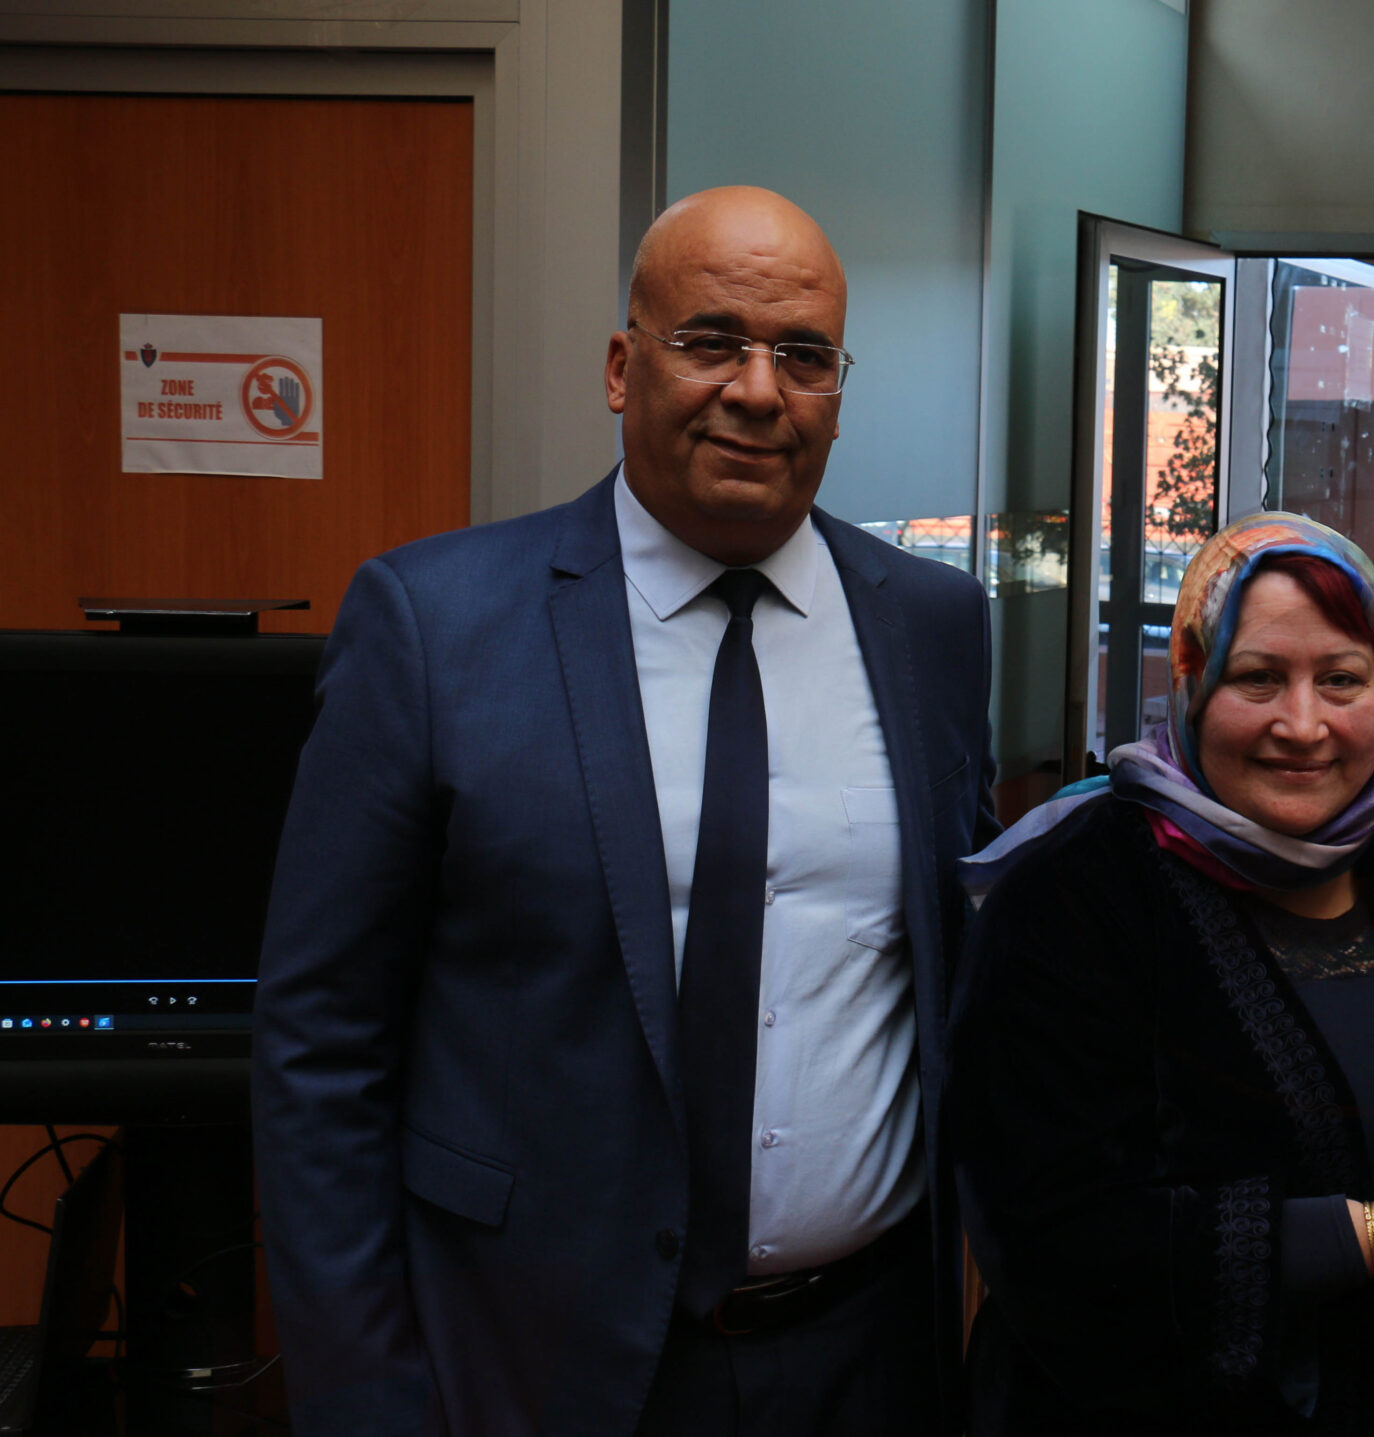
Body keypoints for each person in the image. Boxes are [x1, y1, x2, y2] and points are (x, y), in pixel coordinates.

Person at [252, 186, 996, 1435]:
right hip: (530, 1364)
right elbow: (321, 1047)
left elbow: (956, 985)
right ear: (619, 367)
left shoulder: (934, 627)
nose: (757, 391)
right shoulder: (434, 627)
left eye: (803, 356)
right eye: (710, 341)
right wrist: (367, 1398)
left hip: (866, 1361)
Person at [947, 515, 1374, 1433]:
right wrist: (1371, 1238)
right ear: (1191, 685)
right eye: (1257, 677)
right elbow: (1051, 1237)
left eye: (1342, 679)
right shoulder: (1069, 903)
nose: (1302, 725)